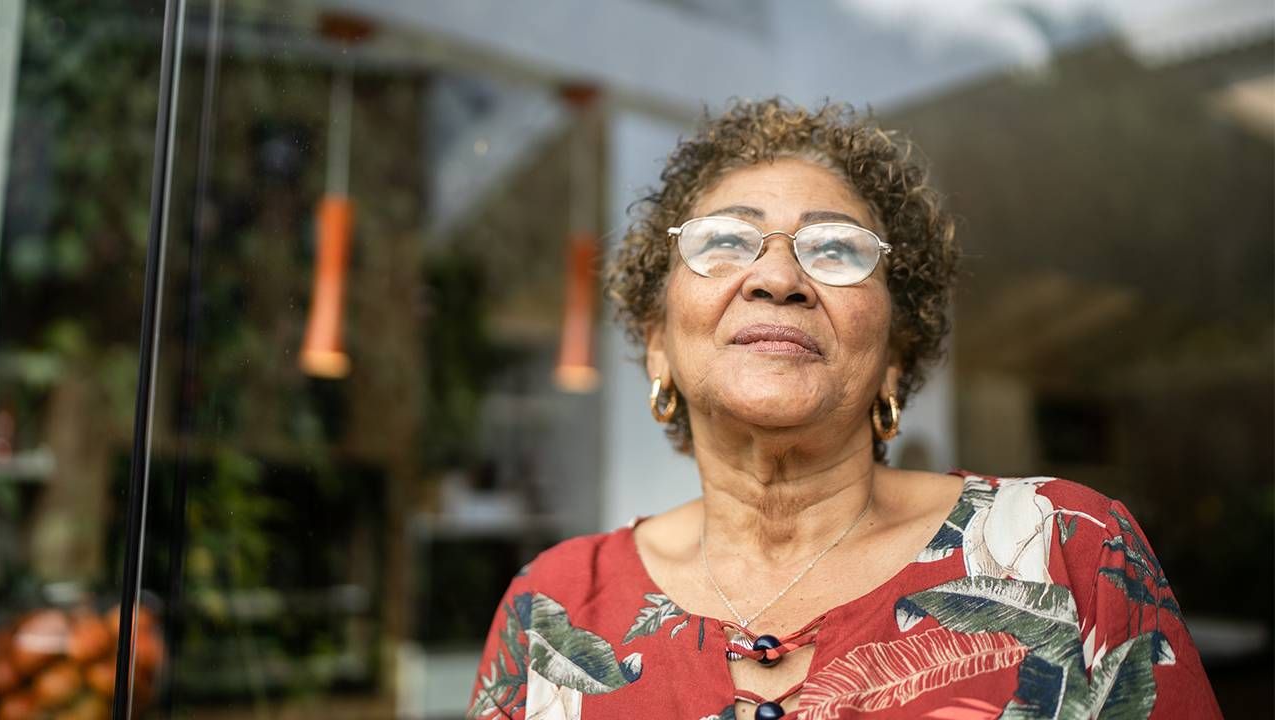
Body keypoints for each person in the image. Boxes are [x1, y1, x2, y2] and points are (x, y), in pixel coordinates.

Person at [466, 98, 1222, 720]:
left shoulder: (1070, 552)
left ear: (895, 354)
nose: (777, 275)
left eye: (834, 249)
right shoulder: (553, 608)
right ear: (657, 343)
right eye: (725, 241)